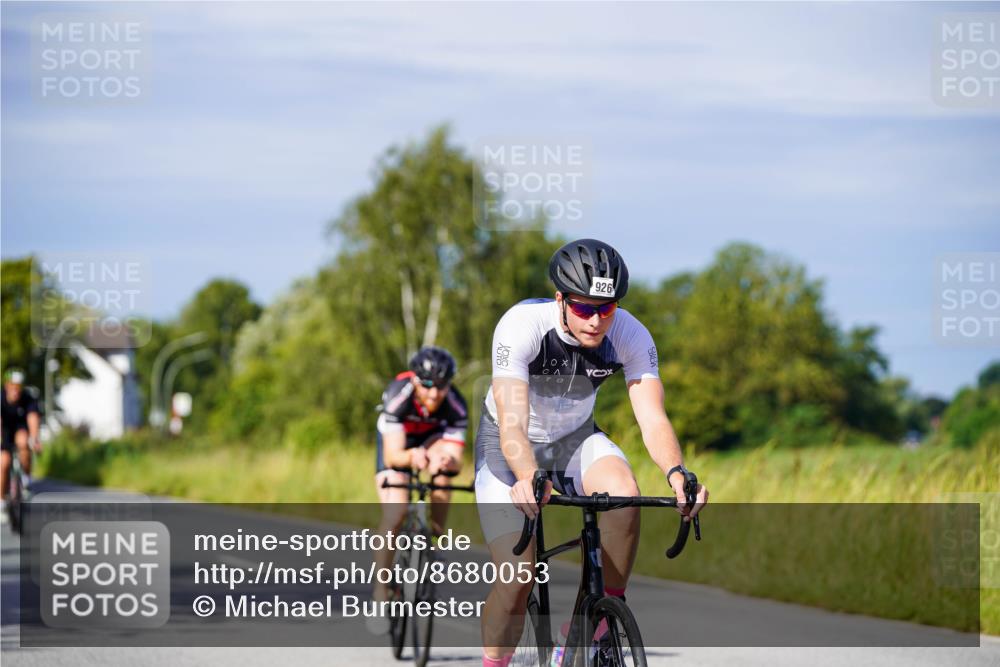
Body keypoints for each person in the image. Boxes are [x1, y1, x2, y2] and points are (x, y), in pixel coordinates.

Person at [475, 239, 709, 666]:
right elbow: (511, 422)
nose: (597, 320)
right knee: (517, 579)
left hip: (574, 437)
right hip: (508, 445)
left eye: (608, 307)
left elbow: (652, 417)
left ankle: (592, 626)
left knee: (623, 493)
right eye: (584, 308)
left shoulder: (629, 334)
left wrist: (678, 473)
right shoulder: (521, 325)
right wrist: (527, 474)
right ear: (560, 299)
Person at [371, 346, 468, 606]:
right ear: (415, 380)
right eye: (427, 385)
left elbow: (456, 462)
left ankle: (433, 541)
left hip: (431, 440)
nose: (434, 393)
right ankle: (381, 589)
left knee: (443, 477)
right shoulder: (397, 396)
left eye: (441, 385)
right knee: (396, 512)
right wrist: (413, 456)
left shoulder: (456, 405)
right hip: (397, 444)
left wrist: (446, 461)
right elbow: (393, 456)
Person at [1, 368, 42, 522]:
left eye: (18, 387)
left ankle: (25, 480)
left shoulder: (28, 398)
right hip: (4, 432)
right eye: (12, 386)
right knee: (3, 463)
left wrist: (35, 439)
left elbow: (33, 418)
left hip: (20, 429)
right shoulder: (0, 398)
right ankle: (2, 502)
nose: (15, 391)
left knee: (25, 442)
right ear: (6, 385)